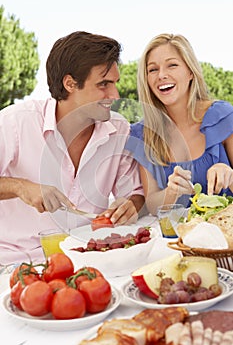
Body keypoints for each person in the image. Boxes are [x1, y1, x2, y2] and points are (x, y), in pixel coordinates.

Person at [0, 31, 145, 265]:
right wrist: (21, 187)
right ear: (70, 84)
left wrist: (130, 205)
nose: (115, 95)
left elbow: (134, 193)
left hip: (87, 260)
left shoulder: (118, 129)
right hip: (13, 263)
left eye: (115, 83)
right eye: (104, 84)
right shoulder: (15, 122)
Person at [125, 33, 233, 215]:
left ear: (190, 72)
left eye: (172, 65)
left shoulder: (223, 116)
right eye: (152, 70)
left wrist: (228, 174)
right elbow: (152, 203)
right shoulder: (142, 134)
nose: (161, 75)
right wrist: (171, 192)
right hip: (174, 238)